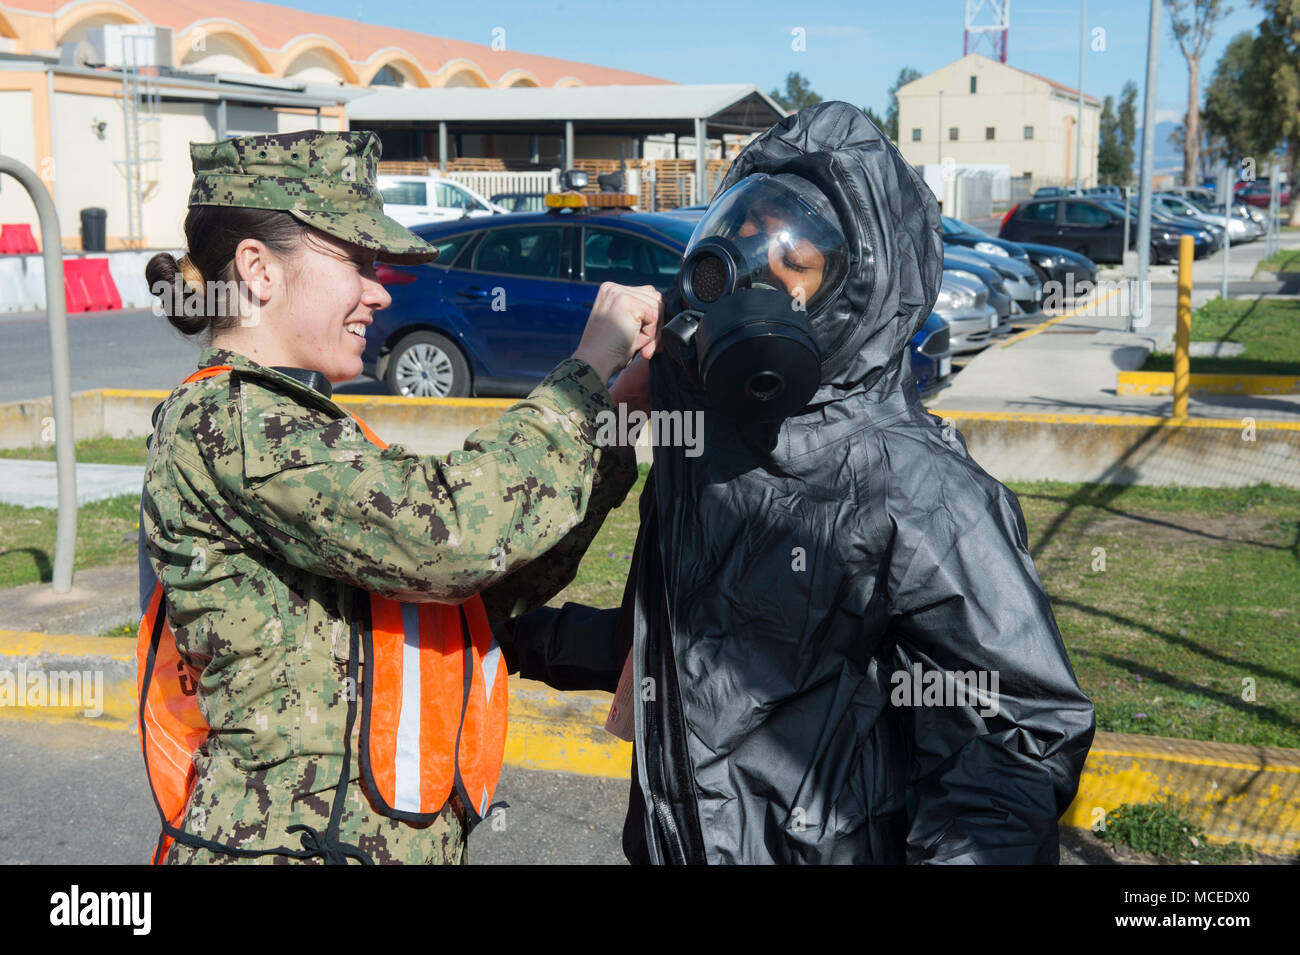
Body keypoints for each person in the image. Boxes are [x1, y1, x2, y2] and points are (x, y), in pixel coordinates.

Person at [494, 101, 1096, 864]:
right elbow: (684, 649)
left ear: (856, 285)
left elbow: (1021, 732)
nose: (761, 284)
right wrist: (510, 635)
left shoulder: (919, 489)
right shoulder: (707, 458)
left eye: (796, 266)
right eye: (742, 254)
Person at [137, 129, 659, 864]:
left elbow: (477, 585)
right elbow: (450, 537)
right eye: (355, 262)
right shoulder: (228, 422)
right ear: (257, 270)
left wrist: (614, 415)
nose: (379, 291)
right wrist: (586, 365)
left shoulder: (295, 424)